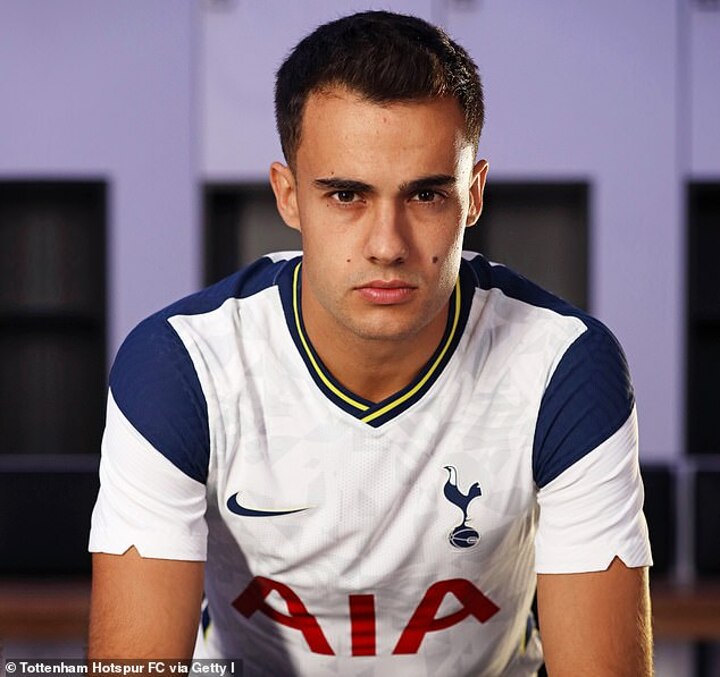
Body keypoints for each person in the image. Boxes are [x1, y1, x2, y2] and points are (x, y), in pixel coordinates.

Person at [88, 10, 653, 676]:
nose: (387, 245)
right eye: (347, 195)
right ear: (288, 196)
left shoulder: (563, 367)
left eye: (426, 195)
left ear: (473, 196)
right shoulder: (182, 366)